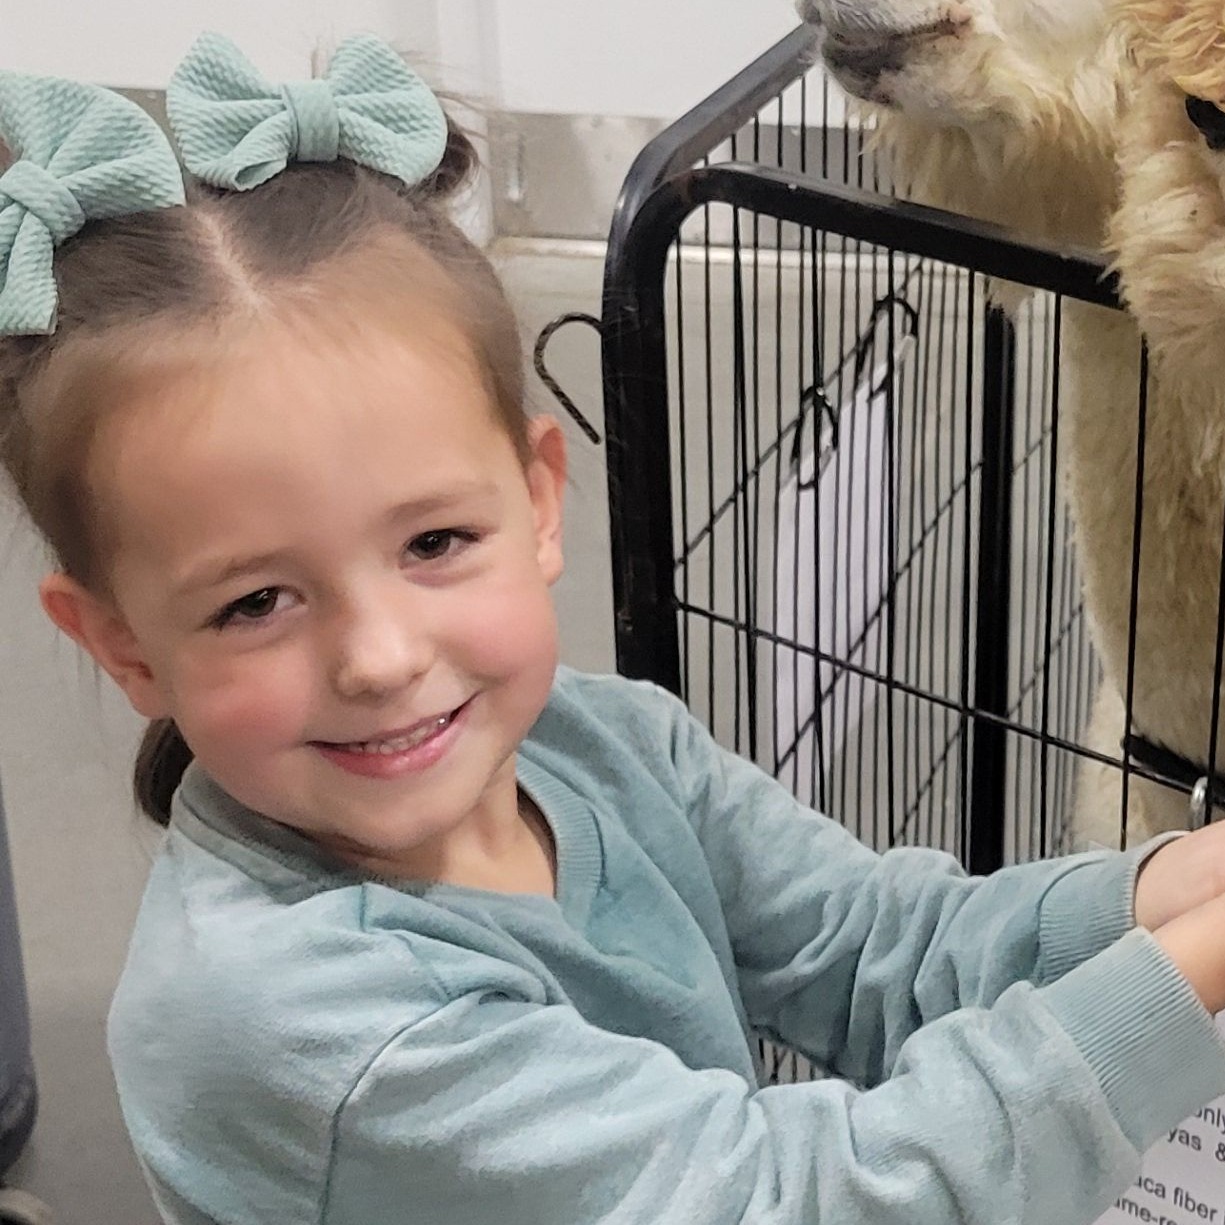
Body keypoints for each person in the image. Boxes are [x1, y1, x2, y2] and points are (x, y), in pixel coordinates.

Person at [3, 29, 1225, 1225]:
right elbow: (786, 1201)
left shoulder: (604, 744)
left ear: (539, 499)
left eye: (433, 543)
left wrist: (1163, 885)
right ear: (118, 642)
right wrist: (1187, 982)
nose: (378, 659)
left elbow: (874, 942)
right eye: (255, 603)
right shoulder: (295, 1022)